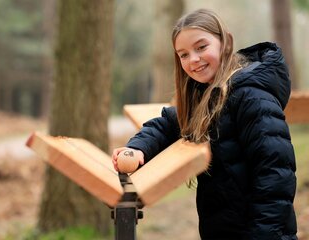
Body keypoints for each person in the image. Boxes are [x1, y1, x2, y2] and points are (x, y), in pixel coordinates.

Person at [112, 8, 297, 240]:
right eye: (183, 54)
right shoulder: (207, 95)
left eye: (201, 47)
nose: (194, 60)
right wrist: (138, 148)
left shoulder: (251, 97)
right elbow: (167, 124)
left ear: (225, 43)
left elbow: (275, 177)